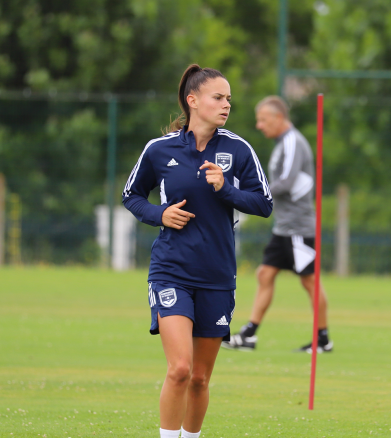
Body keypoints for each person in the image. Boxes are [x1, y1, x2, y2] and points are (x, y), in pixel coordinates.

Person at [122, 64, 272, 438]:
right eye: (218, 97)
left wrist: (226, 189)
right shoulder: (159, 150)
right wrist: (160, 214)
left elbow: (264, 203)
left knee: (201, 379)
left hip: (218, 276)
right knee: (180, 370)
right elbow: (131, 196)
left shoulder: (238, 149)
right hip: (171, 269)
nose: (226, 105)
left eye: (229, 99)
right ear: (193, 101)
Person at [223, 95, 333, 354]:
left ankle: (323, 339)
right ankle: (249, 335)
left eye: (263, 119)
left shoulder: (293, 141)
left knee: (309, 282)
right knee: (265, 274)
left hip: (298, 228)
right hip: (283, 227)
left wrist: (253, 196)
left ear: (278, 118)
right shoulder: (283, 143)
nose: (260, 126)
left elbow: (285, 182)